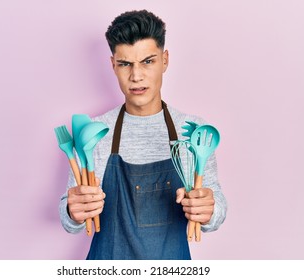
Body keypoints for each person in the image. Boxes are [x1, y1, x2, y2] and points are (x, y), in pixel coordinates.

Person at [59, 9, 227, 260]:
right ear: (113, 65)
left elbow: (216, 211)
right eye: (125, 64)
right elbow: (70, 218)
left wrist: (209, 209)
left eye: (148, 61)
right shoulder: (94, 132)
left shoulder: (193, 133)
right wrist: (73, 211)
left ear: (165, 60)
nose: (136, 76)